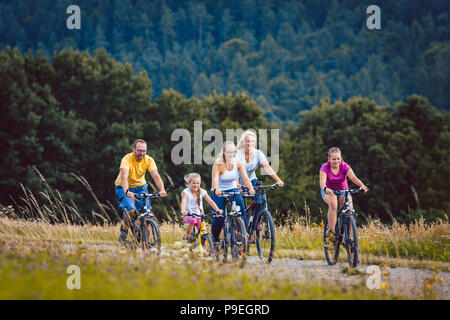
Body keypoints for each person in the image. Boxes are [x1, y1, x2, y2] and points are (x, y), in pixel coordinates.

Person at [115, 139, 167, 245]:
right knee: (130, 210)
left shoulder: (149, 160)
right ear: (133, 149)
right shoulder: (127, 159)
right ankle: (123, 234)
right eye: (139, 150)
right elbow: (124, 177)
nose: (142, 153)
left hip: (140, 187)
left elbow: (156, 176)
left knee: (147, 213)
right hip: (123, 186)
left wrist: (162, 189)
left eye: (144, 151)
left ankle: (147, 243)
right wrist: (126, 191)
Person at [210, 141, 255, 242]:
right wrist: (216, 189)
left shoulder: (238, 163)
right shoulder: (218, 163)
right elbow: (215, 179)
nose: (232, 154)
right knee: (220, 216)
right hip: (218, 190)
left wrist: (251, 188)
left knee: (241, 209)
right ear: (223, 152)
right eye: (229, 152)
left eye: (234, 151)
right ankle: (215, 238)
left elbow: (245, 178)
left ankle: (243, 233)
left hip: (232, 188)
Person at [319, 147, 368, 239]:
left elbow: (353, 178)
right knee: (333, 203)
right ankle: (332, 233)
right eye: (334, 159)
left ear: (341, 158)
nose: (337, 161)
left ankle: (348, 237)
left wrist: (362, 186)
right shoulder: (325, 167)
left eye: (338, 159)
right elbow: (322, 182)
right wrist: (326, 188)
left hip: (343, 191)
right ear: (329, 159)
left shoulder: (344, 166)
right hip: (328, 191)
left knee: (349, 210)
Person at [180, 173, 223, 243]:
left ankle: (205, 250)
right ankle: (186, 238)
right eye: (193, 183)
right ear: (188, 183)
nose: (196, 185)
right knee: (192, 221)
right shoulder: (186, 192)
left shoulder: (202, 191)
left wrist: (217, 209)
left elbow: (210, 201)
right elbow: (183, 202)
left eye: (198, 183)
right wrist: (183, 210)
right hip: (188, 214)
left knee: (203, 232)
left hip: (199, 215)